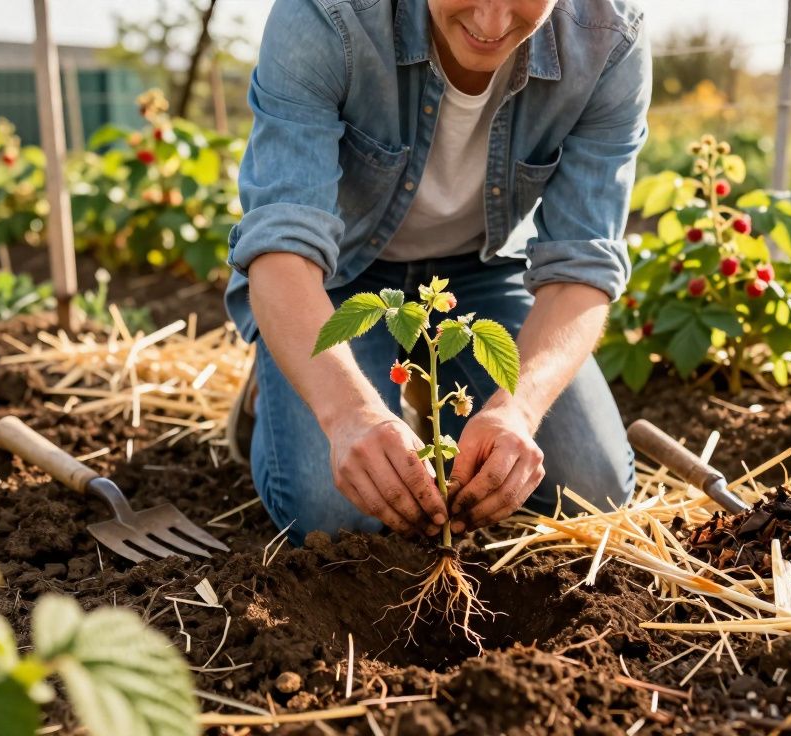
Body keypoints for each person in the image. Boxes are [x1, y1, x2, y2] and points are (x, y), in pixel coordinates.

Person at [224, 0, 651, 546]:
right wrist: (348, 414)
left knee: (594, 488)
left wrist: (516, 411)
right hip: (336, 279)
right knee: (337, 515)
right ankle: (282, 375)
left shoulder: (609, 36)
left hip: (481, 271)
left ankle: (432, 401)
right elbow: (283, 248)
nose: (492, 24)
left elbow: (582, 265)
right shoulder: (327, 14)